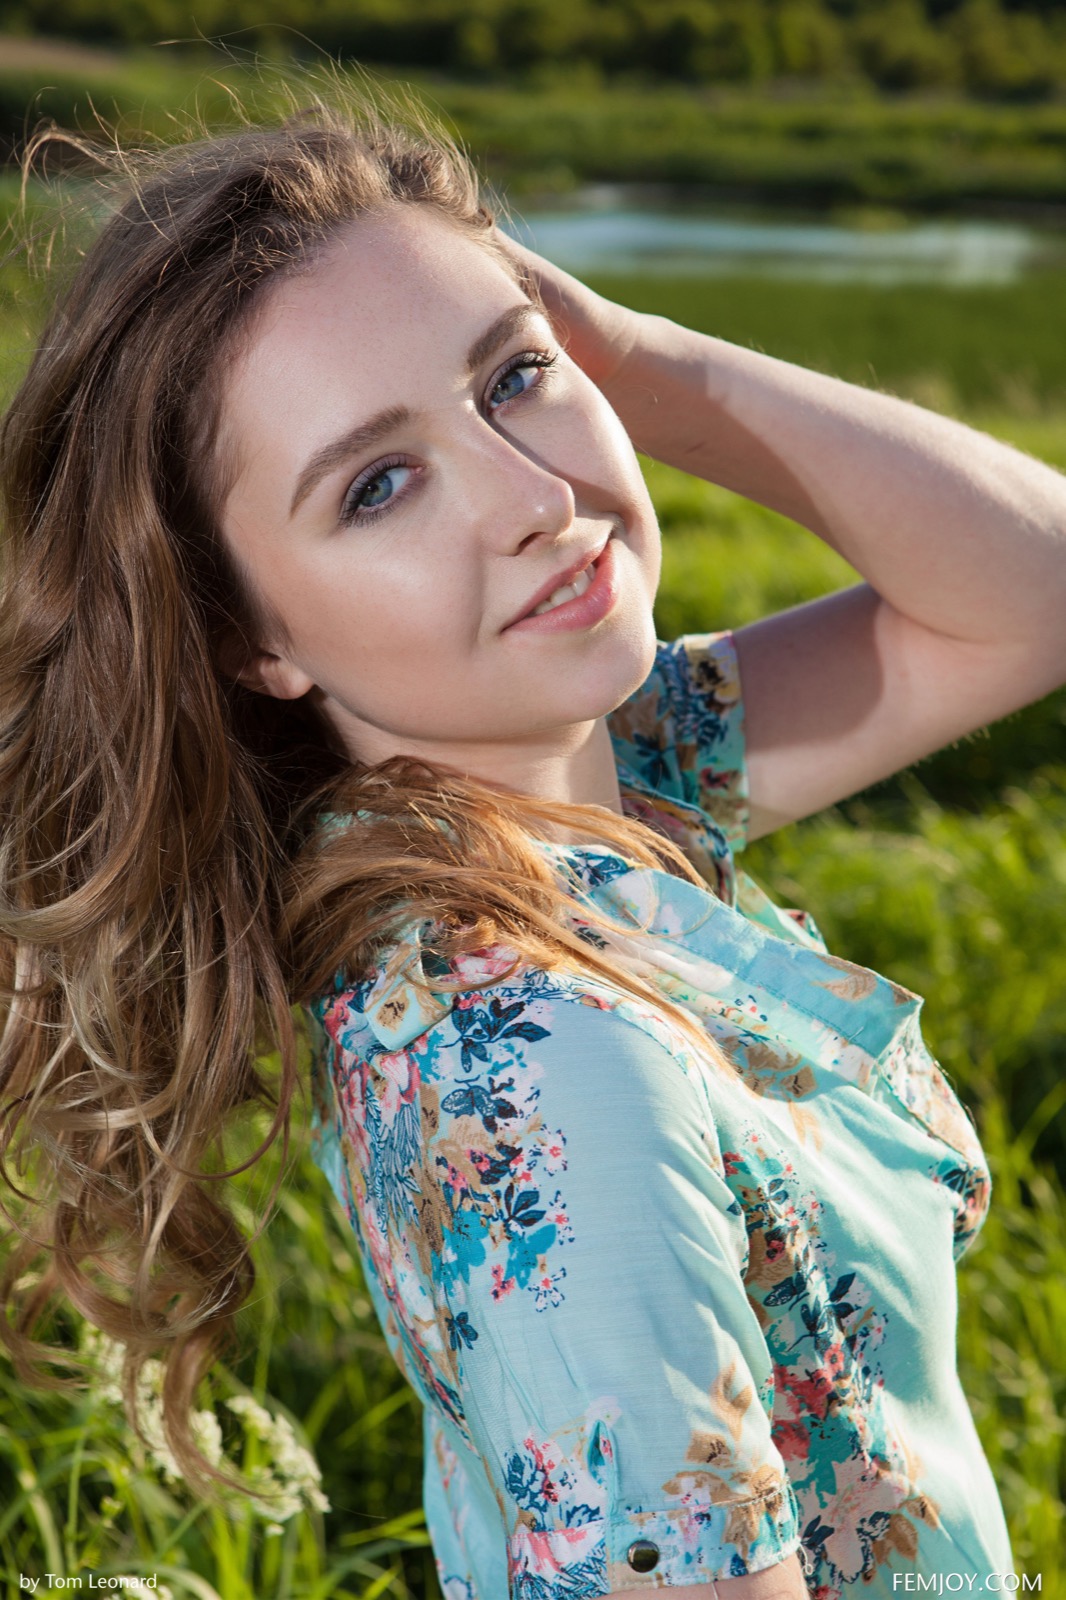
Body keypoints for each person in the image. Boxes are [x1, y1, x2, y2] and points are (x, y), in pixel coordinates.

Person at [1, 94, 1063, 1600]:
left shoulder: (603, 786)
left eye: (514, 377)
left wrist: (646, 360)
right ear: (253, 640)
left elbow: (1031, 594)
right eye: (378, 484)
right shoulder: (544, 1055)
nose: (536, 498)